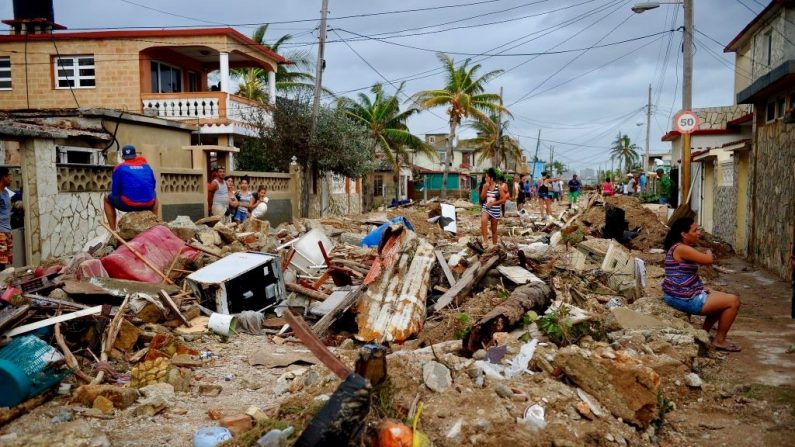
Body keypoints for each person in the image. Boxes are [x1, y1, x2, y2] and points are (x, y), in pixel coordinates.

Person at [663, 217, 742, 352]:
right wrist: (709, 251)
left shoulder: (679, 247)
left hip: (678, 294)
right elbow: (708, 260)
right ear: (684, 234)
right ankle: (720, 340)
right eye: (695, 230)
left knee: (720, 296)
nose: (698, 233)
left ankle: (704, 333)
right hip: (683, 297)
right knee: (733, 301)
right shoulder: (681, 248)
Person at [103, 145, 157, 231]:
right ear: (135, 155)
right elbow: (153, 185)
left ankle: (112, 231)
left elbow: (115, 191)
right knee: (154, 196)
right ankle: (155, 225)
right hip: (148, 204)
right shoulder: (147, 166)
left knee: (106, 199)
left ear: (123, 157)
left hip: (128, 204)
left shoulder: (119, 168)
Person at [480, 168, 509, 247]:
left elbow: (504, 199)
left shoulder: (498, 187)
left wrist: (493, 203)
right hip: (486, 207)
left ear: (491, 178)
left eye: (487, 177)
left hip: (495, 209)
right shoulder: (485, 186)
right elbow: (482, 198)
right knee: (483, 220)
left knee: (494, 230)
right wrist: (485, 189)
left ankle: (494, 246)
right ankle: (485, 241)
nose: (485, 179)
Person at [0, 168, 13, 271]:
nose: (11, 179)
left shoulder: (6, 193)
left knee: (4, 263)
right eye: (8, 176)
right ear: (3, 177)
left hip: (6, 231)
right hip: (0, 232)